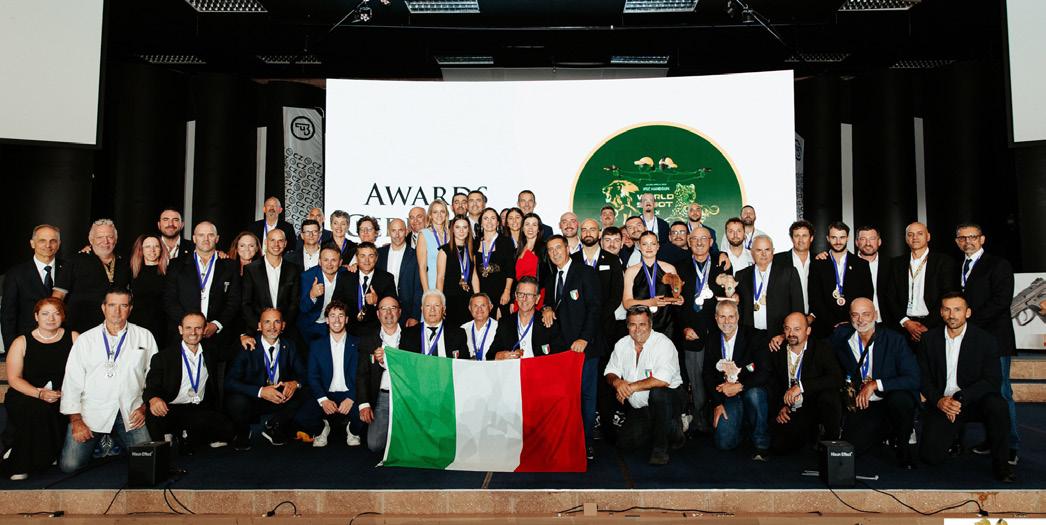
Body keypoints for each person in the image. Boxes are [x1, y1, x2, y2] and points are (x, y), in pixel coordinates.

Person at [917, 293, 1015, 482]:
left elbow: (992, 380)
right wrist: (939, 401)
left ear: (967, 313)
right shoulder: (929, 339)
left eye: (957, 309)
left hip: (973, 401)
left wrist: (961, 397)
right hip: (943, 402)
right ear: (941, 312)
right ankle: (953, 437)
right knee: (930, 457)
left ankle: (1002, 465)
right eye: (947, 309)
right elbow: (923, 378)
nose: (951, 315)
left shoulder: (985, 340)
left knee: (998, 405)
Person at [59, 290, 158, 472]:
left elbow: (154, 376)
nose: (117, 311)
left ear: (130, 309)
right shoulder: (86, 339)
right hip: (92, 412)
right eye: (112, 305)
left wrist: (143, 407)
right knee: (70, 465)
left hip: (130, 411)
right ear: (103, 308)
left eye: (123, 305)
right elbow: (72, 381)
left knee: (147, 463)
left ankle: (112, 440)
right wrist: (76, 420)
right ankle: (104, 440)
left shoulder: (144, 336)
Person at [953, 224, 1019, 466]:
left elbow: (1001, 302)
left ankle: (1010, 445)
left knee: (1001, 392)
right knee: (976, 391)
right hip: (966, 340)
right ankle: (992, 439)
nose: (967, 241)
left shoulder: (999, 265)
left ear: (982, 239)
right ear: (957, 241)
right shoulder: (957, 266)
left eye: (972, 237)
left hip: (994, 340)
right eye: (962, 238)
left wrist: (968, 323)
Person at [831, 298, 920, 469]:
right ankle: (885, 429)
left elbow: (913, 378)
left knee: (901, 400)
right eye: (855, 315)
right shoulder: (841, 336)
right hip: (863, 403)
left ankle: (903, 443)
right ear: (849, 317)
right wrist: (784, 337)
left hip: (890, 397)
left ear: (876, 315)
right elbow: (818, 349)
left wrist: (875, 384)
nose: (860, 320)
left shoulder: (895, 339)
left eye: (866, 314)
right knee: (852, 449)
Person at [2, 298, 77, 480]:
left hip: (62, 394)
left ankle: (30, 454)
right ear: (36, 316)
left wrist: (65, 393)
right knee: (37, 409)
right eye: (45, 314)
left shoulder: (74, 337)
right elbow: (14, 379)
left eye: (56, 313)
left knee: (47, 409)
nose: (51, 318)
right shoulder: (21, 341)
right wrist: (40, 393)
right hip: (26, 393)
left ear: (63, 316)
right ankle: (20, 463)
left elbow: (85, 372)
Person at [542, 235, 602, 457]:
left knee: (586, 396)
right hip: (562, 350)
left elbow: (595, 308)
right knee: (566, 396)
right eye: (550, 250)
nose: (555, 252)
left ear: (568, 248)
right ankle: (568, 439)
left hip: (585, 348)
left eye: (558, 247)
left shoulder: (585, 272)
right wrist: (546, 308)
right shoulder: (551, 278)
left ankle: (586, 443)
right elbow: (551, 304)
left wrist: (584, 338)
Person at [143, 312, 234, 455]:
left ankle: (184, 435)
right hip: (170, 408)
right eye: (188, 328)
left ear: (205, 330)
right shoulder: (163, 357)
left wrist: (244, 336)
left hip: (197, 408)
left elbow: (233, 350)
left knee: (228, 430)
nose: (193, 332)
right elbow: (151, 386)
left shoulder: (211, 352)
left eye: (198, 328)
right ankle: (175, 434)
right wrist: (154, 399)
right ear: (180, 330)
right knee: (154, 413)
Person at [604, 306, 685, 465]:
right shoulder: (622, 344)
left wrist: (629, 388)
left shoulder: (663, 344)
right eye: (633, 324)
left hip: (669, 399)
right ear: (627, 326)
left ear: (650, 324)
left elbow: (663, 380)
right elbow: (610, 372)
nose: (637, 329)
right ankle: (661, 428)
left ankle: (662, 447)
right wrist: (617, 382)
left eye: (642, 324)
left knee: (658, 393)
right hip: (642, 408)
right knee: (624, 444)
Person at [675, 226, 732, 434]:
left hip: (717, 333)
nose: (699, 242)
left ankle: (719, 417)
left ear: (711, 242)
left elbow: (729, 298)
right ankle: (699, 420)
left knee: (718, 375)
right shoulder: (679, 267)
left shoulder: (721, 265)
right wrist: (684, 327)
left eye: (703, 238)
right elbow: (675, 302)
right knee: (696, 379)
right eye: (695, 239)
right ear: (689, 242)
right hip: (691, 333)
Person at [226, 308, 306, 449]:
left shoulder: (290, 345)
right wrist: (260, 391)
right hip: (254, 397)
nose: (272, 327)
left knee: (306, 391)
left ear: (283, 326)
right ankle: (243, 432)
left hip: (279, 397)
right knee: (236, 401)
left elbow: (303, 374)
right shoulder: (247, 346)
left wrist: (295, 383)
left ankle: (274, 426)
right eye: (267, 322)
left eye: (277, 322)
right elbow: (230, 382)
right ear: (259, 326)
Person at [769, 312, 843, 454]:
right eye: (787, 329)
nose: (791, 334)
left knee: (830, 396)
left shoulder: (821, 348)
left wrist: (801, 387)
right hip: (791, 408)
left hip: (814, 403)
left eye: (797, 329)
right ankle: (810, 435)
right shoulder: (777, 350)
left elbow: (836, 378)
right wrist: (780, 407)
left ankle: (830, 439)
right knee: (779, 446)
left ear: (808, 330)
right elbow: (772, 383)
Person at [704, 301, 771, 460]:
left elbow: (765, 371)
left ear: (738, 317)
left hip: (750, 389)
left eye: (731, 316)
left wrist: (740, 386)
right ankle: (742, 429)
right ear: (716, 318)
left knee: (755, 395)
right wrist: (717, 403)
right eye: (722, 316)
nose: (727, 321)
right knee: (724, 442)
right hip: (727, 397)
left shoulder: (755, 336)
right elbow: (707, 374)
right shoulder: (712, 338)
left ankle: (761, 444)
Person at [164, 221, 242, 356]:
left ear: (217, 238)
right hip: (184, 335)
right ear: (194, 238)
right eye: (201, 235)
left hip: (218, 337)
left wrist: (216, 324)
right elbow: (169, 299)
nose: (206, 239)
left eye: (210, 235)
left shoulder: (231, 266)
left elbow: (234, 301)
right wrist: (190, 326)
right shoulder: (176, 264)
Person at [297, 301, 362, 448]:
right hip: (326, 393)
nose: (336, 320)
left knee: (365, 414)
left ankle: (352, 430)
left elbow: (362, 375)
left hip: (349, 393)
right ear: (327, 320)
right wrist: (323, 399)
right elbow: (312, 376)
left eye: (341, 315)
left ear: (346, 319)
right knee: (302, 416)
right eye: (332, 316)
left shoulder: (358, 343)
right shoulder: (316, 345)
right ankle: (322, 428)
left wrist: (352, 397)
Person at [52, 219, 132, 333]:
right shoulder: (74, 261)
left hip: (116, 329)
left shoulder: (125, 263)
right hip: (79, 329)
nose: (105, 241)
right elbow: (58, 296)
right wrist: (54, 324)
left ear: (115, 239)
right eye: (100, 237)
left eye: (110, 237)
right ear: (91, 240)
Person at [885, 222, 956, 345]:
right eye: (910, 234)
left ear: (928, 237)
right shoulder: (896, 263)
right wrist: (906, 322)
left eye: (919, 234)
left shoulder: (943, 261)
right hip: (904, 327)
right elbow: (890, 296)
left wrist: (925, 325)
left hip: (934, 326)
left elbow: (947, 296)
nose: (915, 238)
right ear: (906, 238)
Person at [3, 224, 63, 350]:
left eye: (53, 241)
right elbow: (8, 316)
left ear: (59, 244)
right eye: (42, 241)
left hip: (63, 341)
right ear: (32, 243)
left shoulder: (69, 269)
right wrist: (12, 350)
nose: (48, 245)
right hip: (28, 343)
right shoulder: (15, 274)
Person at [808, 222, 873, 338]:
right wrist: (833, 322)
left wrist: (850, 321)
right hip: (825, 327)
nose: (838, 242)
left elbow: (867, 296)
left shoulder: (861, 264)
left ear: (848, 238)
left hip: (855, 326)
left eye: (842, 237)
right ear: (828, 238)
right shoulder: (817, 264)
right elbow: (815, 298)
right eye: (834, 237)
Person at [735, 235, 804, 341]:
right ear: (752, 252)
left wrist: (785, 335)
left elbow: (798, 307)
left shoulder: (788, 273)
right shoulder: (741, 275)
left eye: (767, 250)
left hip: (779, 337)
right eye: (759, 250)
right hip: (749, 337)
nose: (763, 254)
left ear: (773, 251)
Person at [357, 296, 401, 452]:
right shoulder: (369, 340)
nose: (388, 313)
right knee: (374, 445)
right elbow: (362, 374)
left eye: (393, 308)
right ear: (378, 314)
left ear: (399, 312)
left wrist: (387, 360)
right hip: (382, 397)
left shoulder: (411, 337)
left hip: (405, 397)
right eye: (383, 309)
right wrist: (364, 404)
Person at [242, 228, 301, 339]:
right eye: (272, 240)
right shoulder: (251, 269)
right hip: (258, 330)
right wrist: (257, 324)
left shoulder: (294, 269)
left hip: (285, 329)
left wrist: (284, 323)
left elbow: (294, 302)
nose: (276, 244)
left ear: (285, 243)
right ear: (266, 242)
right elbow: (246, 302)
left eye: (280, 241)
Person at [622, 231, 683, 338]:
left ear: (658, 246)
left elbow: (676, 293)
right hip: (640, 324)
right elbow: (627, 303)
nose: (649, 247)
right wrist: (649, 302)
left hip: (667, 324)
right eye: (645, 244)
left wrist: (679, 299)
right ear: (639, 246)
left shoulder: (669, 268)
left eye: (653, 243)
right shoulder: (631, 271)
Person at [491, 277, 556, 360]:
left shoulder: (547, 321)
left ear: (537, 298)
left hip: (540, 367)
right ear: (516, 296)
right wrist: (501, 355)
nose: (524, 299)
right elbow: (490, 354)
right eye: (521, 294)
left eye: (529, 295)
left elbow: (560, 353)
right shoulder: (505, 322)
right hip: (514, 368)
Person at [343, 242, 397, 336]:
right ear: (356, 258)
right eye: (362, 256)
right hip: (349, 331)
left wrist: (377, 301)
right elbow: (337, 303)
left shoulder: (387, 278)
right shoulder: (345, 277)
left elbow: (394, 306)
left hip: (376, 332)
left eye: (371, 256)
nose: (367, 260)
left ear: (376, 258)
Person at [298, 246, 348, 346]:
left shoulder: (346, 275)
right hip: (310, 324)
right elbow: (303, 308)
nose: (329, 264)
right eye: (326, 260)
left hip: (334, 325)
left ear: (340, 262)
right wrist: (312, 295)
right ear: (320, 261)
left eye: (333, 260)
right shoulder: (307, 277)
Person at [377, 219, 423, 327]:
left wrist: (415, 316)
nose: (397, 235)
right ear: (389, 232)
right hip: (383, 313)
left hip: (407, 314)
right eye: (393, 230)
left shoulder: (416, 255)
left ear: (406, 231)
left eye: (400, 230)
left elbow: (418, 288)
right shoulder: (379, 254)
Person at [400, 290, 468, 358]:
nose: (432, 309)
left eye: (437, 305)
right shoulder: (407, 335)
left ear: (443, 309)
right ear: (422, 309)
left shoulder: (458, 334)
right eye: (428, 306)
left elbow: (464, 362)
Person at [128, 234, 169, 345]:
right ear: (141, 250)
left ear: (161, 249)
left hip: (163, 325)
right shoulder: (131, 271)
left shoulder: (170, 271)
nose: (152, 250)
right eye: (147, 246)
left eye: (156, 246)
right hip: (138, 324)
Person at [476, 208, 516, 319]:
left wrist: (507, 291)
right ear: (481, 223)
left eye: (493, 218)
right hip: (481, 293)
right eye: (486, 218)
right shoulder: (475, 242)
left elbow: (510, 270)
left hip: (500, 293)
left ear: (498, 222)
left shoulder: (506, 241)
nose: (489, 221)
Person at [773, 220, 814, 316]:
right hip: (787, 317)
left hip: (814, 317)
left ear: (811, 238)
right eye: (797, 236)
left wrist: (813, 315)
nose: (800, 240)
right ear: (791, 238)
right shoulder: (777, 260)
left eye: (804, 236)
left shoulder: (819, 260)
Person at [855, 225, 891, 321]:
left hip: (888, 321)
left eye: (872, 239)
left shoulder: (891, 264)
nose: (868, 243)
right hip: (859, 322)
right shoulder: (848, 264)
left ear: (879, 242)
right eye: (863, 239)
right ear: (857, 242)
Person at [513, 213, 547, 311]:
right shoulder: (517, 251)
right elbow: (513, 277)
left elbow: (550, 277)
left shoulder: (545, 248)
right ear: (523, 228)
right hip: (519, 296)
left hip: (537, 296)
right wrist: (512, 299)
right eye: (527, 224)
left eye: (534, 225)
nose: (530, 228)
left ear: (539, 229)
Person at [417, 199, 450, 292]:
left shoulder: (452, 234)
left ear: (446, 214)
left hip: (451, 284)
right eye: (435, 212)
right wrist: (426, 292)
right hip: (432, 284)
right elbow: (422, 267)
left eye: (442, 211)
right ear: (430, 215)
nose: (439, 215)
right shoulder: (424, 234)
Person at [462, 293, 498, 360]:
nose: (479, 309)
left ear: (490, 307)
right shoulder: (463, 329)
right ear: (470, 308)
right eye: (475, 306)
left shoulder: (498, 328)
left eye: (483, 305)